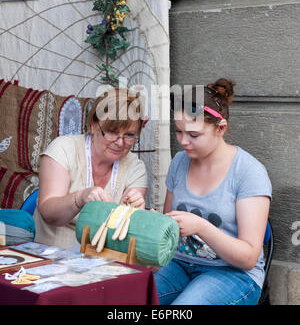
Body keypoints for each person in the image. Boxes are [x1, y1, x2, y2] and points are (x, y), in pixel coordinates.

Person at [154, 78, 272, 305]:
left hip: (233, 274)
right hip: (178, 264)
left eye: (194, 135)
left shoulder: (249, 172)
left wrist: (200, 227)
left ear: (220, 128)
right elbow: (166, 227)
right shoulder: (180, 162)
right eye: (178, 132)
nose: (183, 142)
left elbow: (248, 257)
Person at [34, 87, 148, 249]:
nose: (120, 142)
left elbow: (126, 231)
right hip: (50, 254)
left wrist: (134, 211)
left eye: (129, 135)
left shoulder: (135, 167)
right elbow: (49, 214)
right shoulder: (63, 149)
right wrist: (79, 198)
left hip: (103, 260)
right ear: (94, 125)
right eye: (111, 132)